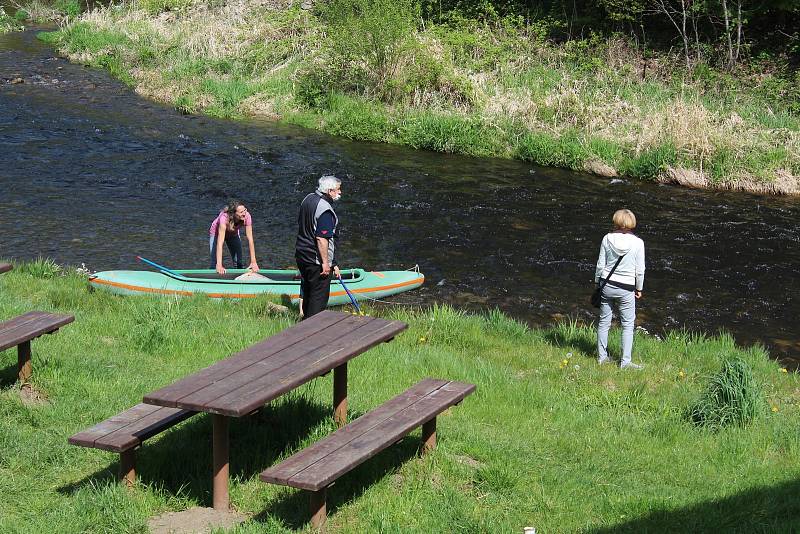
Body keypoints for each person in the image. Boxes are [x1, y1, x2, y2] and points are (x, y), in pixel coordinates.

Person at [595, 208, 646, 369]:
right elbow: (640, 270)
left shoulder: (607, 239)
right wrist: (639, 288)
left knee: (604, 322)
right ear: (632, 224)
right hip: (626, 288)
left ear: (616, 221)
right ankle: (625, 362)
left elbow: (600, 265)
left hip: (607, 284)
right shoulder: (638, 243)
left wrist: (597, 283)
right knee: (628, 324)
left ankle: (602, 358)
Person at [295, 175, 342, 319]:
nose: (340, 193)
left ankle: (303, 325)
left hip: (301, 255)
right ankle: (312, 332)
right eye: (338, 190)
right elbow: (322, 239)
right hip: (315, 260)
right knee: (318, 298)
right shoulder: (325, 209)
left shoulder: (308, 198)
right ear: (329, 191)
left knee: (308, 292)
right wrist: (326, 263)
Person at [209, 200, 259, 275]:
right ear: (234, 213)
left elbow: (250, 239)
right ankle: (212, 281)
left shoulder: (247, 216)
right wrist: (219, 265)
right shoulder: (224, 218)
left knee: (238, 262)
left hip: (233, 234)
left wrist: (253, 262)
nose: (244, 213)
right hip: (216, 234)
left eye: (245, 210)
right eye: (241, 212)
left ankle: (239, 282)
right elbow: (220, 242)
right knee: (215, 263)